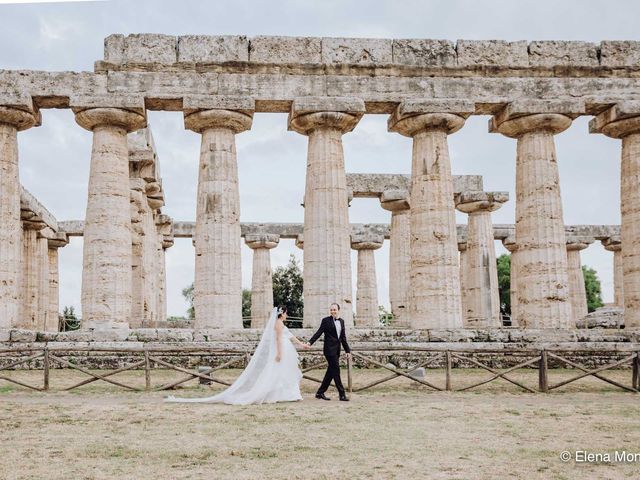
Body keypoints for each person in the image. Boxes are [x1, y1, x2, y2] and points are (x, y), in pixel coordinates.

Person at [165, 306, 309, 405]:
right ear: (282, 313)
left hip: (287, 349)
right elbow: (278, 339)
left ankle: (288, 394)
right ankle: (276, 394)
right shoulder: (277, 324)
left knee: (284, 373)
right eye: (286, 312)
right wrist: (278, 353)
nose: (287, 315)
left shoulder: (281, 323)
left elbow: (289, 335)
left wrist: (301, 344)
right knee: (276, 373)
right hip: (282, 350)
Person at [308, 303, 351, 401]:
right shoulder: (325, 321)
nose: (332, 311)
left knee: (330, 372)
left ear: (338, 310)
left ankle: (320, 392)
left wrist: (347, 350)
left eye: (334, 309)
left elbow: (343, 338)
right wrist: (310, 342)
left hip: (337, 350)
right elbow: (319, 332)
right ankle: (342, 394)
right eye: (331, 310)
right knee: (336, 371)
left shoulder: (342, 322)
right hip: (329, 350)